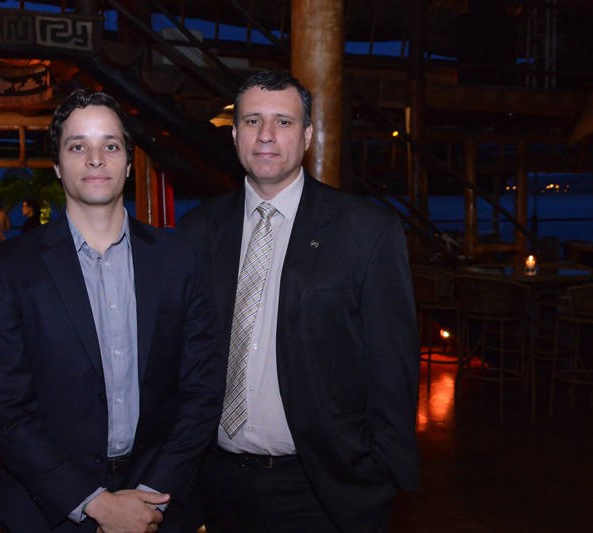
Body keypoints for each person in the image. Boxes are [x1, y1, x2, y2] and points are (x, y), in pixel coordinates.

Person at [177, 70, 420, 532]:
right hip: (217, 483)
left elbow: (394, 369)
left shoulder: (366, 231)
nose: (266, 135)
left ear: (307, 136)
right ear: (235, 135)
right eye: (252, 121)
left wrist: (379, 477)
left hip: (323, 488)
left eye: (283, 122)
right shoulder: (196, 231)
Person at [0, 89, 226, 533]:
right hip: (49, 507)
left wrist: (154, 492)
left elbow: (203, 390)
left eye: (110, 145)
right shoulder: (12, 267)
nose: (95, 159)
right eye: (78, 146)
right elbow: (5, 408)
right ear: (57, 165)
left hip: (162, 503)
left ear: (128, 163)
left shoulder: (179, 259)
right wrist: (93, 503)